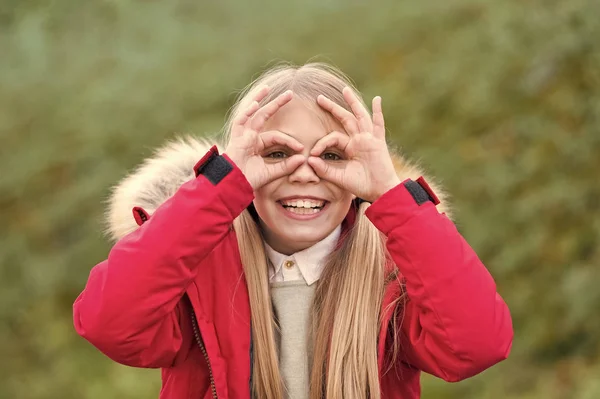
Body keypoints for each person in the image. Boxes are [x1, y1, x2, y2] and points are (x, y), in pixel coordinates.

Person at [73, 62, 513, 399]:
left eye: (333, 156)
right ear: (239, 166)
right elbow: (110, 324)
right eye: (277, 153)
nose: (304, 174)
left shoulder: (395, 273)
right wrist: (217, 191)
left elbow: (477, 345)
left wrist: (392, 198)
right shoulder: (196, 271)